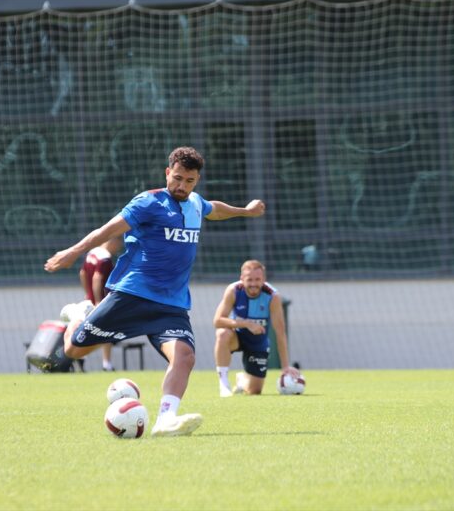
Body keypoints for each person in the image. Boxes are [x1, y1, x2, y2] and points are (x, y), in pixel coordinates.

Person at [44, 146, 265, 436]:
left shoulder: (196, 203)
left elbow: (215, 209)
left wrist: (245, 211)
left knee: (184, 356)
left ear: (197, 180)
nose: (182, 185)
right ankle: (78, 314)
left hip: (171, 305)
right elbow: (107, 230)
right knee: (74, 349)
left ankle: (166, 419)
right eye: (177, 178)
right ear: (167, 172)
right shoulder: (148, 202)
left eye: (189, 181)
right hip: (132, 295)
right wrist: (73, 252)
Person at [213, 259, 299, 397]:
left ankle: (242, 380)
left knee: (254, 391)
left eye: (257, 279)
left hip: (258, 343)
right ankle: (224, 384)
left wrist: (285, 367)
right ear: (242, 278)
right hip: (237, 337)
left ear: (263, 279)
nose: (253, 284)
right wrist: (247, 324)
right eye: (249, 279)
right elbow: (217, 321)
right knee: (222, 333)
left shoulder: (272, 296)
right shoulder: (233, 290)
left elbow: (280, 332)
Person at [79, 238, 123, 371]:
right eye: (119, 244)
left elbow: (82, 273)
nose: (118, 248)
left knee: (86, 330)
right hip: (102, 302)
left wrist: (88, 294)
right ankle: (107, 364)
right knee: (106, 332)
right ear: (113, 241)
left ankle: (81, 358)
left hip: (90, 301)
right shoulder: (105, 258)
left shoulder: (92, 253)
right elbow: (97, 277)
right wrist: (98, 300)